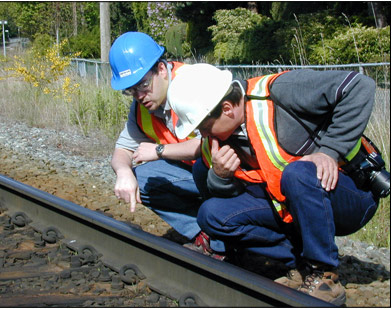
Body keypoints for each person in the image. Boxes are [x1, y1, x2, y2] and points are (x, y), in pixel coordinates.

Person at [167, 63, 382, 305]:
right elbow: (234, 195)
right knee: (211, 214)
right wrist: (220, 176)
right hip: (294, 203)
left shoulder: (282, 91)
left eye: (204, 128)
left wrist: (329, 151)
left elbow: (359, 85)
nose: (204, 135)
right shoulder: (219, 139)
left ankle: (324, 276)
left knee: (298, 173)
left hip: (352, 195)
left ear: (227, 109)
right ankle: (300, 265)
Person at [109, 32, 224, 259]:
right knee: (141, 178)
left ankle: (231, 234)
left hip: (226, 170)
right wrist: (123, 172)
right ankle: (207, 235)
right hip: (197, 172)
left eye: (143, 84)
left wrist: (160, 151)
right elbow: (122, 149)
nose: (139, 96)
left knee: (202, 170)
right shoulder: (141, 107)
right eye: (131, 91)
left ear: (161, 69)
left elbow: (213, 141)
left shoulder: (193, 85)